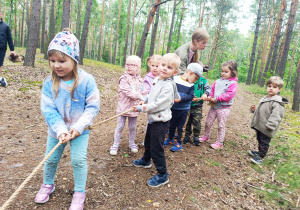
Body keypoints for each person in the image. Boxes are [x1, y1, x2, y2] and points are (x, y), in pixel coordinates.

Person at [35, 29, 100, 210]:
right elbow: (48, 109)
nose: (56, 65)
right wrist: (61, 130)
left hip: (80, 131)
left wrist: (78, 127)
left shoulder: (87, 81)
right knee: (50, 159)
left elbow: (93, 107)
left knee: (78, 160)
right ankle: (48, 184)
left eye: (62, 61)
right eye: (53, 60)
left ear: (74, 60)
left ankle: (79, 192)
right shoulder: (49, 83)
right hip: (57, 131)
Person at [132, 53, 180, 187]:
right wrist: (144, 99)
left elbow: (158, 104)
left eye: (169, 67)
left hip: (161, 121)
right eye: (163, 65)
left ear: (174, 72)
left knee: (156, 147)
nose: (164, 68)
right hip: (153, 119)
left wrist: (143, 108)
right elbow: (151, 94)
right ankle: (146, 160)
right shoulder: (157, 79)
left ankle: (162, 174)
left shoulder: (168, 86)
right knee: (148, 141)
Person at [110, 55, 147, 155]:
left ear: (138, 68)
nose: (129, 66)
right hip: (124, 108)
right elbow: (128, 92)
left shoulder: (140, 80)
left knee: (132, 127)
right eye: (127, 64)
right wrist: (140, 97)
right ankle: (115, 144)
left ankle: (132, 143)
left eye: (132, 65)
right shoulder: (123, 79)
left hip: (134, 109)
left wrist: (144, 99)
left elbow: (144, 92)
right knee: (120, 126)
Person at [199, 60, 238, 150]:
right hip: (214, 106)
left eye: (226, 72)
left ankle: (220, 142)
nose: (223, 73)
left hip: (224, 108)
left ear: (233, 72)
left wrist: (216, 99)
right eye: (222, 71)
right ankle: (206, 136)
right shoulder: (217, 81)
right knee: (208, 122)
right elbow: (212, 91)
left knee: (221, 125)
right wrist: (210, 97)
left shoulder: (233, 83)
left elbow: (229, 95)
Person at [163, 63, 203, 152]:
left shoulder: (191, 85)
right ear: (191, 73)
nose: (195, 81)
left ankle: (179, 143)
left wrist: (180, 99)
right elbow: (169, 90)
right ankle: (170, 139)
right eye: (195, 78)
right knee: (171, 125)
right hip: (173, 108)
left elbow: (190, 97)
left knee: (181, 127)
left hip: (184, 110)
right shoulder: (175, 79)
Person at [249, 76, 288, 164]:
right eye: (269, 86)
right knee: (260, 139)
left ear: (279, 89)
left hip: (267, 127)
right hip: (261, 125)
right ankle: (259, 152)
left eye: (274, 87)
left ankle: (261, 157)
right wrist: (254, 110)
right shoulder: (265, 98)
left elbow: (276, 115)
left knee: (264, 142)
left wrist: (271, 125)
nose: (271, 88)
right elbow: (261, 110)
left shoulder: (277, 102)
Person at [182, 63, 211, 146]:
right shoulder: (188, 79)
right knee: (187, 121)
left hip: (198, 105)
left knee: (197, 121)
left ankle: (196, 136)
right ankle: (186, 135)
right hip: (187, 105)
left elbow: (208, 89)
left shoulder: (203, 80)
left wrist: (205, 94)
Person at [0, 10, 16, 87]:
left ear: (1, 14)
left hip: (2, 48)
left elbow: (9, 38)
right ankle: (1, 79)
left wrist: (12, 50)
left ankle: (1, 79)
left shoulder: (5, 26)